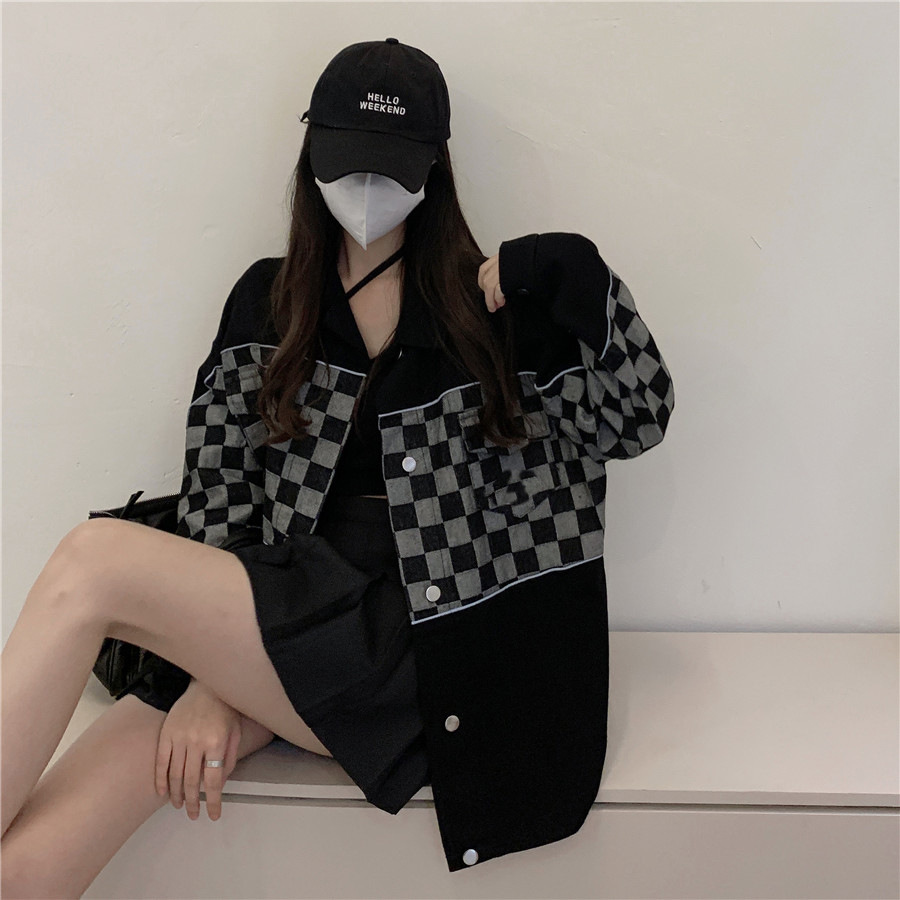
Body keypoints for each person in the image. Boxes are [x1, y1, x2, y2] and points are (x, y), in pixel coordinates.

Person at [0, 37, 675, 893]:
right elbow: (219, 495)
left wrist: (576, 273)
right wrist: (216, 678)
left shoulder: (501, 309)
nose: (365, 187)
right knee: (28, 863)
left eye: (390, 166)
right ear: (312, 153)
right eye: (349, 160)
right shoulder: (268, 303)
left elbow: (638, 417)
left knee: (91, 564)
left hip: (433, 649)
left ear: (434, 168)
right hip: (287, 619)